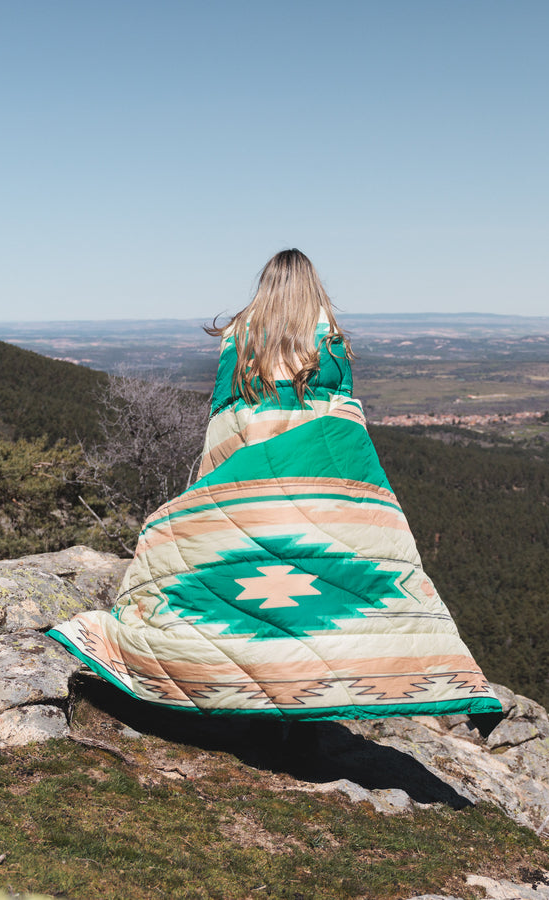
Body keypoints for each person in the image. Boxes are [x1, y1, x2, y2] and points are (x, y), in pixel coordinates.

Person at [49, 249, 502, 731]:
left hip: (252, 464)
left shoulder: (239, 335)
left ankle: (229, 673)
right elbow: (346, 416)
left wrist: (210, 485)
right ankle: (329, 675)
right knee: (334, 571)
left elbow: (223, 417)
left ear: (265, 285)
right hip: (314, 470)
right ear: (313, 285)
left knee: (238, 568)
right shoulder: (331, 340)